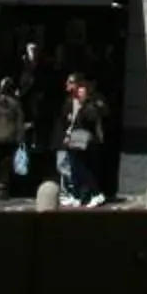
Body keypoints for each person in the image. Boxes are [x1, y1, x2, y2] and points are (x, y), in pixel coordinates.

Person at [57, 74, 108, 207]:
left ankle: (96, 194)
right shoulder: (79, 105)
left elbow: (91, 122)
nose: (79, 93)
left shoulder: (90, 106)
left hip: (87, 142)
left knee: (84, 169)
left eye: (81, 91)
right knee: (76, 169)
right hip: (77, 142)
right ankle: (81, 196)